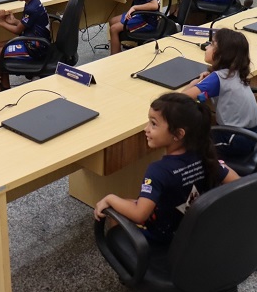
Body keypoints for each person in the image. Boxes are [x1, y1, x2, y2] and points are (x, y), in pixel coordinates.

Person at [93, 93, 239, 245]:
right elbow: (237, 183)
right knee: (128, 202)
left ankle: (124, 252)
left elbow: (139, 215)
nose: (146, 129)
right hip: (196, 231)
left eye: (153, 124)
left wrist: (110, 198)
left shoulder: (158, 171)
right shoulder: (206, 156)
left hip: (164, 240)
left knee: (116, 208)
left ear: (178, 134)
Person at [181, 28, 257, 157]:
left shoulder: (217, 79)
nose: (207, 47)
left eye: (212, 44)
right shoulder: (234, 71)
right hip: (252, 132)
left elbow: (179, 99)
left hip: (235, 140)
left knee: (185, 144)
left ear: (223, 54)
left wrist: (193, 83)